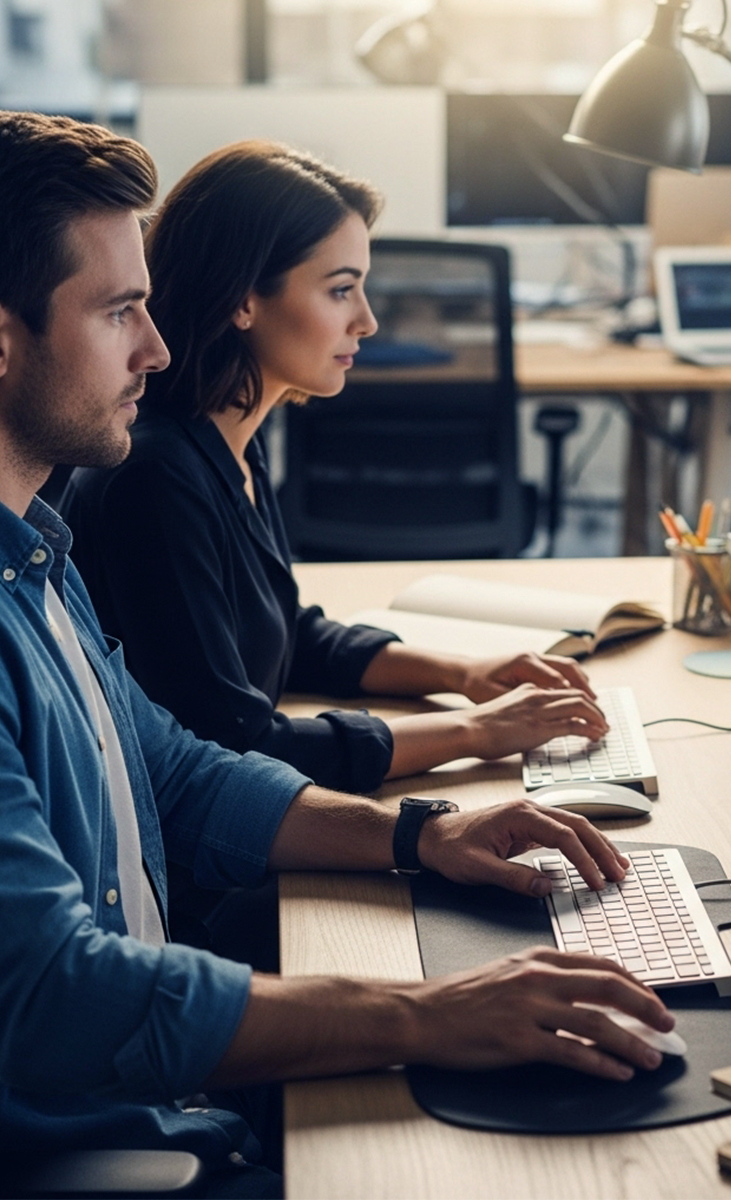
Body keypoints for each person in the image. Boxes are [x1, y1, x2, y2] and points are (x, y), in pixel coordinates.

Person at [0, 112, 673, 1198]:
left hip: (167, 1097)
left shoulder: (40, 554)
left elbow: (175, 767)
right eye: (121, 311)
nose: (157, 347)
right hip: (100, 1141)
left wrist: (423, 835)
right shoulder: (105, 510)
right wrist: (424, 1012)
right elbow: (58, 997)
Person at [61, 139, 607, 798]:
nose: (369, 321)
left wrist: (465, 674)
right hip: (209, 864)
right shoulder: (156, 477)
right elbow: (236, 746)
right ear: (244, 300)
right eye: (341, 289)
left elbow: (284, 631)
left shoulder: (227, 434)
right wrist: (473, 733)